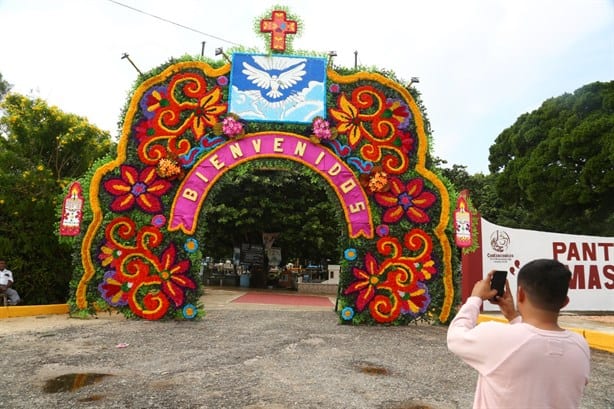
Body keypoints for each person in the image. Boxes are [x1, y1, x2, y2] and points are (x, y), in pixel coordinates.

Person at [447, 259, 590, 409]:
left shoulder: (497, 337)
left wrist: (475, 299)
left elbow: (455, 336)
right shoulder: (580, 346)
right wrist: (513, 316)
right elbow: (534, 343)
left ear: (520, 293)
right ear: (565, 302)